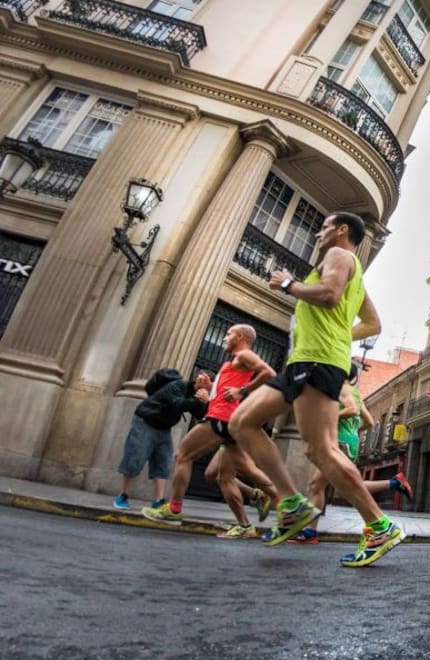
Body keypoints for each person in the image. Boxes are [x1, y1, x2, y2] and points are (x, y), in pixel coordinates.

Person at [228, 212, 403, 568]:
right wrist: (339, 337)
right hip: (310, 359)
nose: (318, 233)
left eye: (324, 227)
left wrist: (288, 284)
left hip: (316, 361)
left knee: (319, 449)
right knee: (244, 422)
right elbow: (373, 324)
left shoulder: (339, 257)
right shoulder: (350, 269)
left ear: (342, 231)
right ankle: (292, 503)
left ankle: (377, 524)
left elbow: (328, 294)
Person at [141, 325, 277, 538]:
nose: (225, 338)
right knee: (222, 475)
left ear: (240, 337)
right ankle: (257, 514)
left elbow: (269, 373)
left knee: (183, 455)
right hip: (228, 420)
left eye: (229, 334)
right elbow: (225, 391)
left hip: (221, 419)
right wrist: (211, 385)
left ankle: (174, 508)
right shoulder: (233, 361)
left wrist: (243, 391)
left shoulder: (244, 354)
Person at [290, 365, 413, 544]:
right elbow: (369, 421)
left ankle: (310, 533)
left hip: (339, 442)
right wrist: (353, 432)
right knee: (342, 486)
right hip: (349, 442)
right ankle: (394, 482)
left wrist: (329, 420)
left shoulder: (342, 388)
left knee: (316, 486)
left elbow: (351, 410)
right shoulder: (354, 392)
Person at [114, 370, 212, 511]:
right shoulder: (178, 386)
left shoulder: (196, 395)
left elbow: (200, 415)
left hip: (164, 427)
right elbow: (177, 404)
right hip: (146, 421)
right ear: (196, 379)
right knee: (134, 457)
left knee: (163, 462)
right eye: (202, 380)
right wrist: (196, 399)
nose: (203, 384)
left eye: (207, 383)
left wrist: (205, 402)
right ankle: (122, 495)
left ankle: (158, 500)